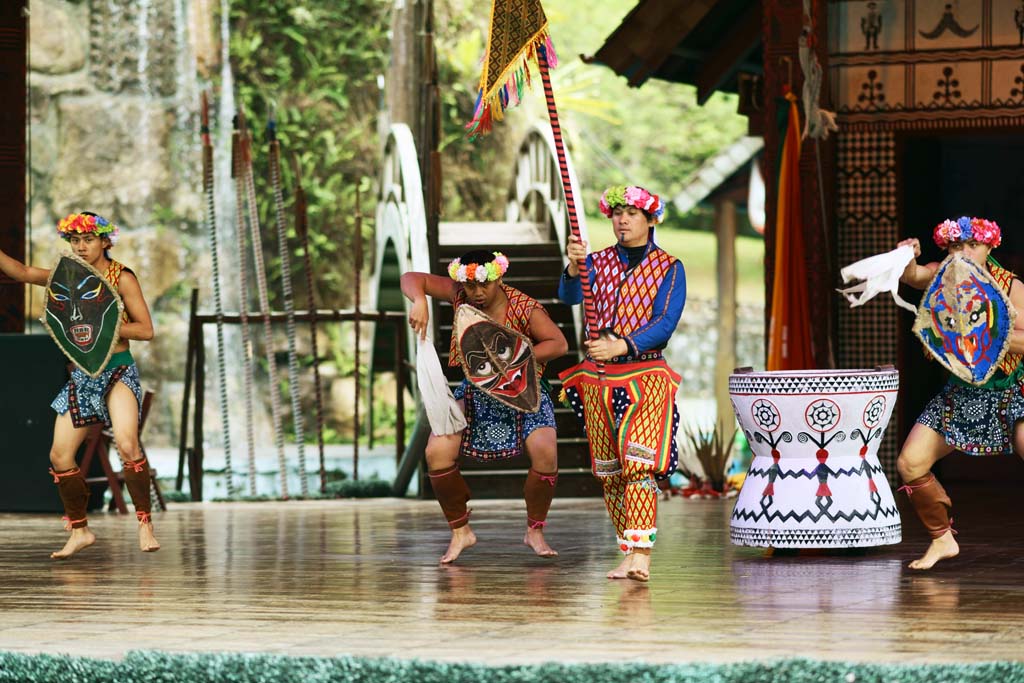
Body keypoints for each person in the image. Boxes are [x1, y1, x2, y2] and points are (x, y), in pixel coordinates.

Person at [0, 212, 157, 559]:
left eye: (88, 240)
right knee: (59, 455)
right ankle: (80, 530)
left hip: (117, 372)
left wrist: (101, 323)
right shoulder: (66, 277)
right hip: (84, 377)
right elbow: (24, 273)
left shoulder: (122, 277)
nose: (81, 246)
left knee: (128, 444)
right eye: (74, 241)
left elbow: (145, 330)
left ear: (105, 241)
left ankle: (144, 523)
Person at [401, 249, 568, 564]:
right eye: (470, 286)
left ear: (499, 277)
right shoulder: (459, 295)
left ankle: (535, 530)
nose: (477, 293)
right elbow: (410, 278)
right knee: (436, 450)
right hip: (476, 393)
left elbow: (559, 343)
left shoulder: (524, 307)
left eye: (485, 285)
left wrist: (516, 358)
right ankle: (461, 530)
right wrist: (420, 300)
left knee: (546, 448)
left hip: (524, 390)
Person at [558, 185, 686, 582]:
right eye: (617, 213)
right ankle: (627, 552)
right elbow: (568, 296)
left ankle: (643, 555)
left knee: (638, 464)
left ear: (650, 220)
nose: (622, 220)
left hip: (644, 375)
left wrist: (622, 346)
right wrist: (573, 266)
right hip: (597, 378)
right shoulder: (596, 261)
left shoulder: (669, 267)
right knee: (610, 470)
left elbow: (665, 323)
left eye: (631, 213)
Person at [896, 216, 1024, 570]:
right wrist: (907, 257)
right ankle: (942, 540)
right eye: (955, 246)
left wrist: (988, 333)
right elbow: (912, 276)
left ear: (989, 247)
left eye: (972, 246)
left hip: (1013, 390)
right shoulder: (942, 274)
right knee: (910, 462)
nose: (962, 253)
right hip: (963, 394)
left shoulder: (1009, 287)